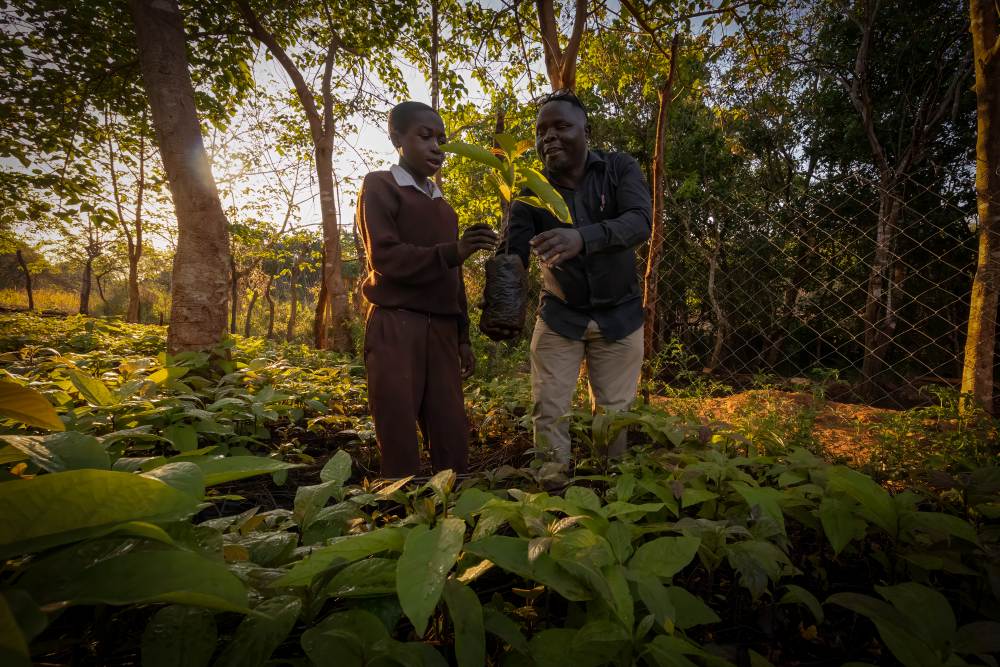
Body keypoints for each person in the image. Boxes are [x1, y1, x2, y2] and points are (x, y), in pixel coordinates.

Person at [482, 90, 652, 465]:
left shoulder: (619, 168)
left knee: (614, 415)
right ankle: (552, 486)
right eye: (542, 131)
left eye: (561, 126)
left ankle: (610, 486)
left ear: (586, 130)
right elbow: (514, 252)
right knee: (549, 408)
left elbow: (640, 222)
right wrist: (501, 299)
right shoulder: (530, 190)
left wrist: (582, 237)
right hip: (561, 315)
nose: (549, 137)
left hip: (619, 315)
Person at [357, 100, 498, 477]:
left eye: (442, 138)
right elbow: (385, 257)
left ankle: (451, 502)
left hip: (442, 329)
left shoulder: (445, 208)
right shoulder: (380, 186)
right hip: (396, 323)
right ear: (397, 138)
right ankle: (400, 508)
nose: (437, 146)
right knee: (397, 422)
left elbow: (451, 276)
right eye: (425, 136)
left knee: (449, 423)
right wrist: (453, 251)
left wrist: (463, 336)